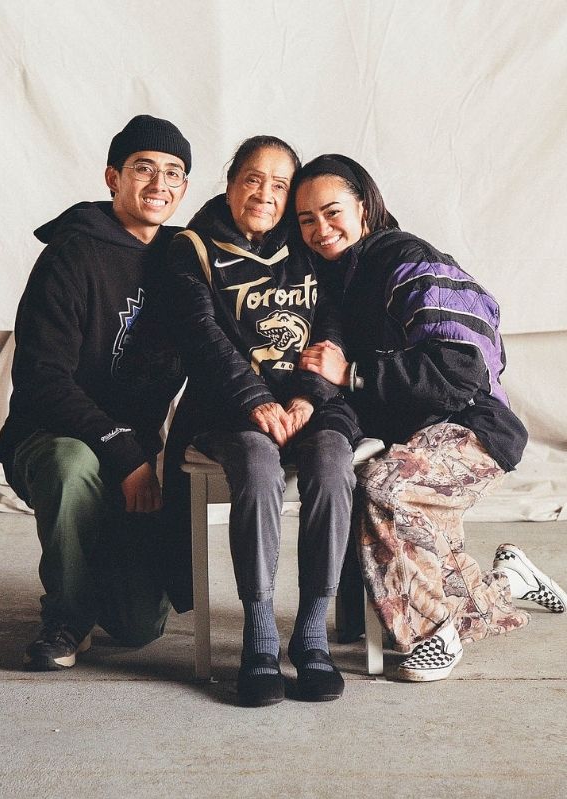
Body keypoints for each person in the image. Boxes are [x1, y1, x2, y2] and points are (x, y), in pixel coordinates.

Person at [294, 154, 567, 682]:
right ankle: (508, 581)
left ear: (365, 209)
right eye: (306, 219)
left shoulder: (407, 262)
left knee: (386, 485)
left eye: (331, 212)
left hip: (473, 428)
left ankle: (431, 635)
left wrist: (350, 372)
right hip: (417, 434)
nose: (320, 229)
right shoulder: (341, 278)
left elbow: (463, 368)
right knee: (444, 581)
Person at [161, 136, 363, 706]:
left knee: (330, 461)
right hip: (228, 406)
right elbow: (203, 338)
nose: (266, 194)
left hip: (309, 402)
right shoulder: (191, 248)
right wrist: (255, 400)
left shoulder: (307, 243)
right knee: (256, 461)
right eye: (254, 178)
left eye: (280, 184)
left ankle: (310, 633)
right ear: (229, 183)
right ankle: (259, 632)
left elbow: (333, 326)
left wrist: (307, 396)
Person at [0, 115, 192, 670]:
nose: (159, 184)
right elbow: (42, 376)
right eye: (143, 169)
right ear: (113, 177)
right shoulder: (71, 254)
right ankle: (65, 615)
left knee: (135, 628)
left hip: (133, 452)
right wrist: (127, 453)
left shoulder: (183, 261)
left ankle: (97, 573)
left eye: (174, 174)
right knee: (71, 462)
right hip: (55, 436)